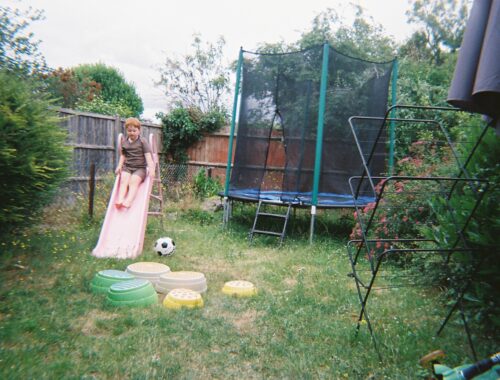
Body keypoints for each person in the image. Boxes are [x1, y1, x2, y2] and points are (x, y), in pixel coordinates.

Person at [114, 117, 155, 208]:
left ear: (139, 131)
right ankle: (120, 199)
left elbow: (148, 157)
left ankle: (128, 201)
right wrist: (119, 166)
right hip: (128, 167)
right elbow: (123, 156)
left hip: (140, 169)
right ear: (126, 131)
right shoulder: (124, 142)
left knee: (133, 181)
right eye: (129, 131)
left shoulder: (142, 142)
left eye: (134, 130)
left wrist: (152, 170)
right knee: (124, 180)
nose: (132, 133)